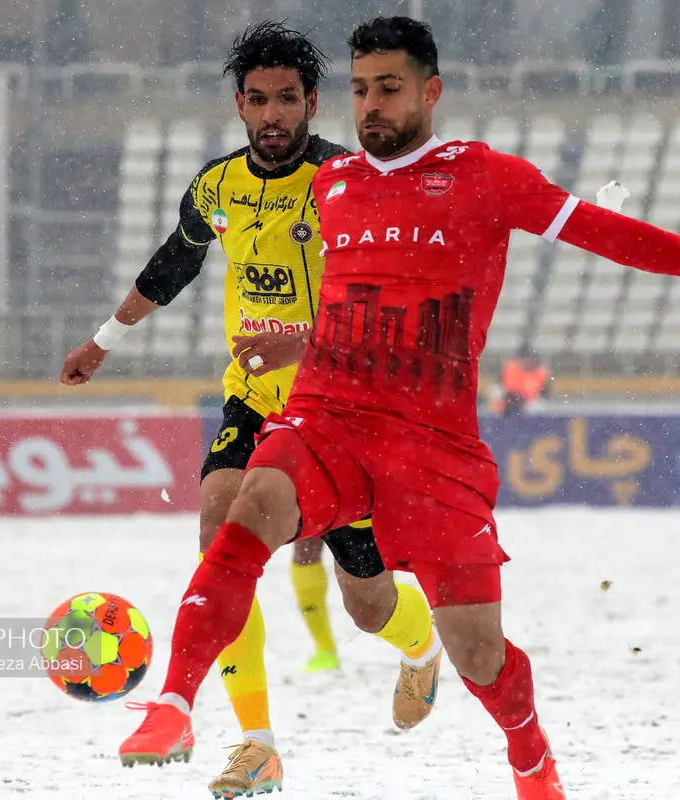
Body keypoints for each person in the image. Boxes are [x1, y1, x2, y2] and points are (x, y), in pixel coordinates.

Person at [114, 15, 680, 800]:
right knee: (242, 515)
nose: (370, 105)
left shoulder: (484, 176)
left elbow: (605, 232)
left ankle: (528, 754)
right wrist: (288, 347)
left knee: (479, 655)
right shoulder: (331, 186)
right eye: (359, 89)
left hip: (432, 443)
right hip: (326, 417)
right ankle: (175, 703)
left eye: (388, 87)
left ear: (430, 91)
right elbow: (342, 302)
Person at [59, 22, 441, 798]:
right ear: (240, 104)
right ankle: (257, 742)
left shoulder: (349, 180)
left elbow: (394, 294)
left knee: (367, 605)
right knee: (219, 531)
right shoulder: (217, 185)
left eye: (288, 101)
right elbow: (175, 260)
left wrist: (302, 343)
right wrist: (104, 339)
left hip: (344, 409)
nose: (273, 115)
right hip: (254, 400)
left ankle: (421, 646)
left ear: (311, 104)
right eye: (259, 101)